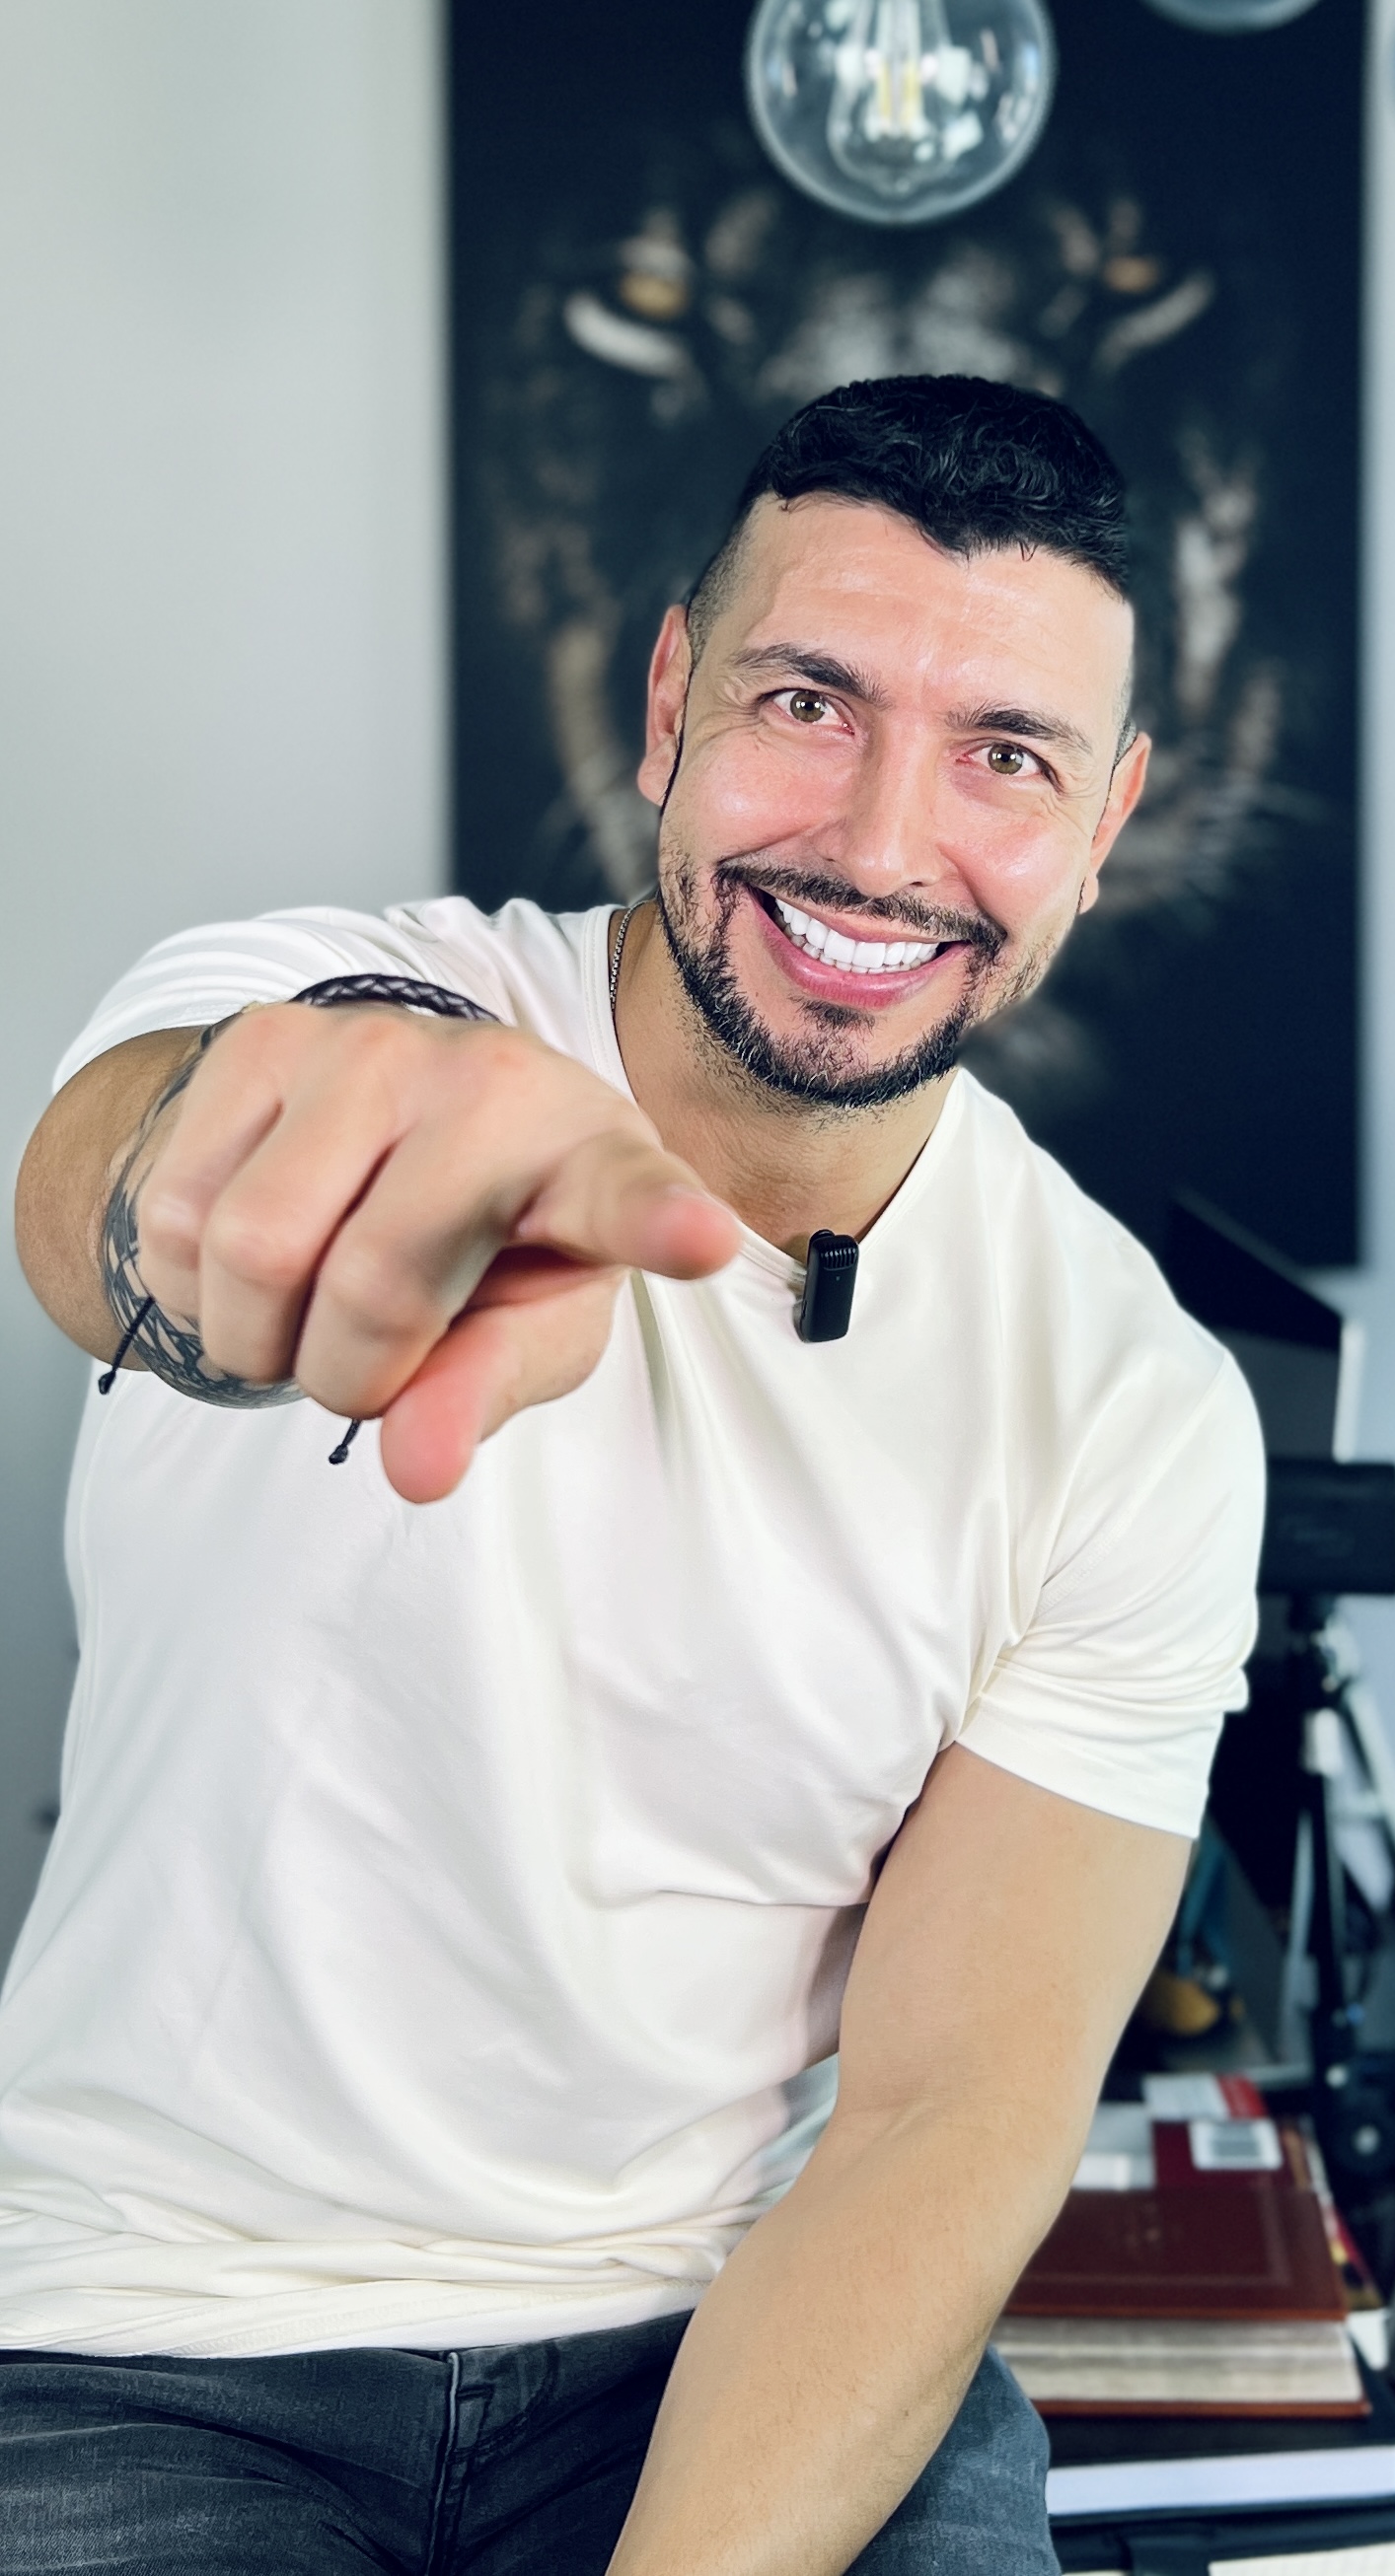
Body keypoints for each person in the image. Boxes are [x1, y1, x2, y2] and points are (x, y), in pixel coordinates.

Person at [2, 374, 1263, 2575]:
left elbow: (947, 2121)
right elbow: (120, 1203)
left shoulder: (1130, 1402)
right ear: (674, 698)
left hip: (719, 2329)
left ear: (1105, 818)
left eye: (1005, 756)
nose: (882, 844)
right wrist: (343, 1178)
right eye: (808, 700)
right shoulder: (319, 998)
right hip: (143, 2330)